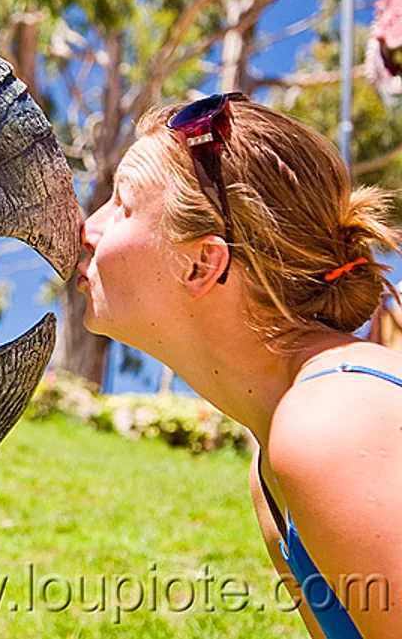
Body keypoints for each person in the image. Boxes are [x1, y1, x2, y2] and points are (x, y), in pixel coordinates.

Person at [77, 92, 402, 638]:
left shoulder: (333, 423)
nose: (88, 227)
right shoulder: (275, 465)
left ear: (203, 262)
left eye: (122, 205)